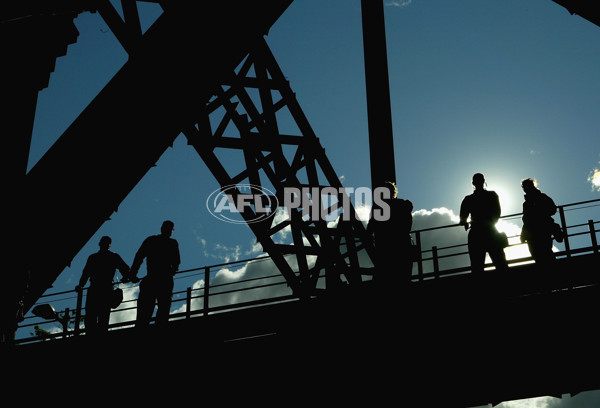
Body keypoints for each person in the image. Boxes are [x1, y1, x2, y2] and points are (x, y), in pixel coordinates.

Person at [76, 236, 132, 336]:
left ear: (100, 244)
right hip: (105, 289)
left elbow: (86, 273)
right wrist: (126, 277)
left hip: (96, 289)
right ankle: (99, 334)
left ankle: (92, 335)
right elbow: (125, 269)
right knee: (102, 317)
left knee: (92, 317)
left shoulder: (94, 257)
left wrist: (80, 285)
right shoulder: (112, 257)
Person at [130, 220, 180, 327]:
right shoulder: (172, 243)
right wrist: (173, 270)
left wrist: (133, 274)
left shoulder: (151, 240)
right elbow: (176, 262)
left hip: (151, 279)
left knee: (145, 312)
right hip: (165, 279)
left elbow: (139, 257)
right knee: (163, 309)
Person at [459, 173, 508, 274]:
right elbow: (497, 213)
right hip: (491, 231)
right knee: (500, 263)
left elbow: (462, 218)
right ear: (484, 181)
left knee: (477, 266)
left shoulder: (468, 199)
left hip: (476, 233)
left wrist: (465, 223)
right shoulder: (492, 195)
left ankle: (480, 287)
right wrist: (490, 223)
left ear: (473, 183)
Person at [368, 181, 414, 285]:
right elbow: (408, 224)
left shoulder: (378, 207)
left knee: (385, 276)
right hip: (403, 244)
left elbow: (371, 227)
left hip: (385, 247)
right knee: (404, 276)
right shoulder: (402, 205)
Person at [520, 178, 557, 267]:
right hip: (534, 231)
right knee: (539, 254)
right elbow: (526, 220)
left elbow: (552, 209)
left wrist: (540, 213)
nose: (525, 189)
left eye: (526, 187)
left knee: (544, 252)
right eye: (524, 187)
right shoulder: (527, 203)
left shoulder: (541, 197)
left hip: (541, 229)